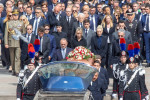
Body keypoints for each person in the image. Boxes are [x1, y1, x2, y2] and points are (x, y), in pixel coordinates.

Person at [4, 9, 26, 76]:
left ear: (18, 15)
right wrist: (6, 43)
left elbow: (24, 32)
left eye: (16, 15)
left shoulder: (21, 23)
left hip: (18, 42)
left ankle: (17, 71)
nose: (15, 16)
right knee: (12, 57)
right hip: (11, 42)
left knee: (17, 57)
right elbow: (6, 34)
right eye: (14, 15)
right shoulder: (8, 23)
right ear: (12, 15)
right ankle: (13, 69)